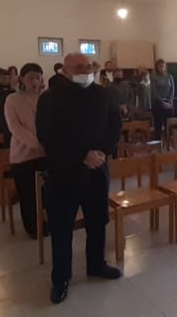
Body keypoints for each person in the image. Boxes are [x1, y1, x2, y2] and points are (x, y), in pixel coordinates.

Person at [36, 53, 122, 304]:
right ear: (65, 71)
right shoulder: (49, 98)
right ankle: (61, 278)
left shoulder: (104, 94)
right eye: (79, 67)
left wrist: (102, 152)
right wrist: (82, 155)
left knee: (97, 221)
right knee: (62, 227)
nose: (86, 71)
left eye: (89, 66)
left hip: (97, 169)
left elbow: (114, 125)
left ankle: (96, 264)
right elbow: (47, 135)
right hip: (64, 171)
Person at [3, 63, 46, 238]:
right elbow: (16, 128)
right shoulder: (12, 99)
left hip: (46, 153)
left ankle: (45, 222)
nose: (34, 81)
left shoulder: (45, 97)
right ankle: (33, 228)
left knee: (46, 193)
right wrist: (39, 145)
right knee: (28, 195)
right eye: (30, 78)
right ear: (22, 79)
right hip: (23, 155)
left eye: (38, 77)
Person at [149, 59, 175, 140]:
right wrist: (162, 102)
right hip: (157, 103)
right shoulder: (153, 77)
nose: (162, 68)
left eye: (163, 66)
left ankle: (169, 142)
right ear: (156, 67)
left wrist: (170, 101)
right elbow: (154, 91)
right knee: (158, 125)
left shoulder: (169, 76)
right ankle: (158, 142)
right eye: (160, 66)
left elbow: (172, 90)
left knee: (169, 125)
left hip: (168, 103)